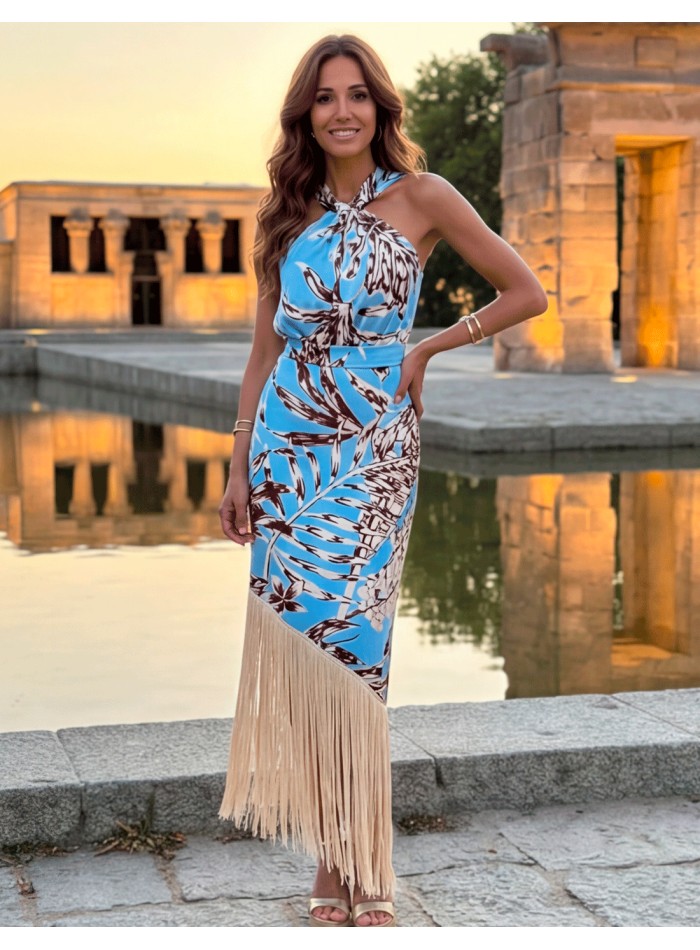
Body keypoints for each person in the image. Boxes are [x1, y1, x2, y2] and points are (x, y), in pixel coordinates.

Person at [217, 33, 547, 928]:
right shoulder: (282, 215)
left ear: (381, 106)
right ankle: (332, 860)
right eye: (324, 98)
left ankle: (367, 855)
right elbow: (264, 349)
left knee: (357, 653)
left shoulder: (425, 197)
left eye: (357, 94)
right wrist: (239, 458)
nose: (342, 111)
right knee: (307, 650)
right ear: (305, 114)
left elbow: (526, 292)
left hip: (373, 452)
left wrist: (431, 345)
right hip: (290, 449)